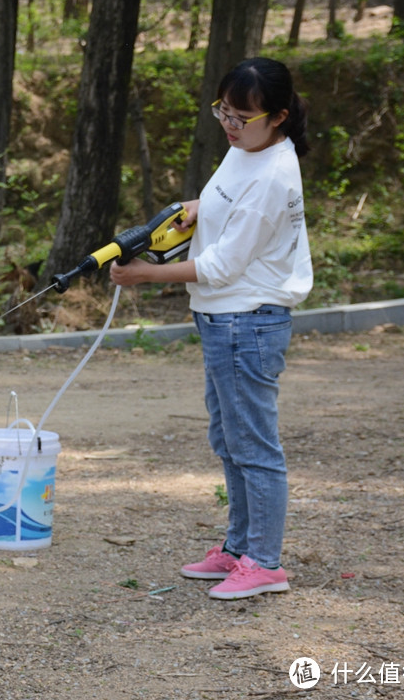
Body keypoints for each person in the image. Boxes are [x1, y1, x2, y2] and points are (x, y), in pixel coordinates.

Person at [109, 57, 312, 600]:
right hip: (223, 319)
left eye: (241, 116)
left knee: (254, 445)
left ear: (279, 117)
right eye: (223, 109)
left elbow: (222, 266)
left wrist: (144, 276)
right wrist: (199, 208)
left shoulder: (273, 174)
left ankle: (265, 563)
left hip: (247, 322)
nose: (228, 122)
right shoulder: (247, 149)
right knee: (229, 438)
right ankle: (239, 547)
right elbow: (228, 201)